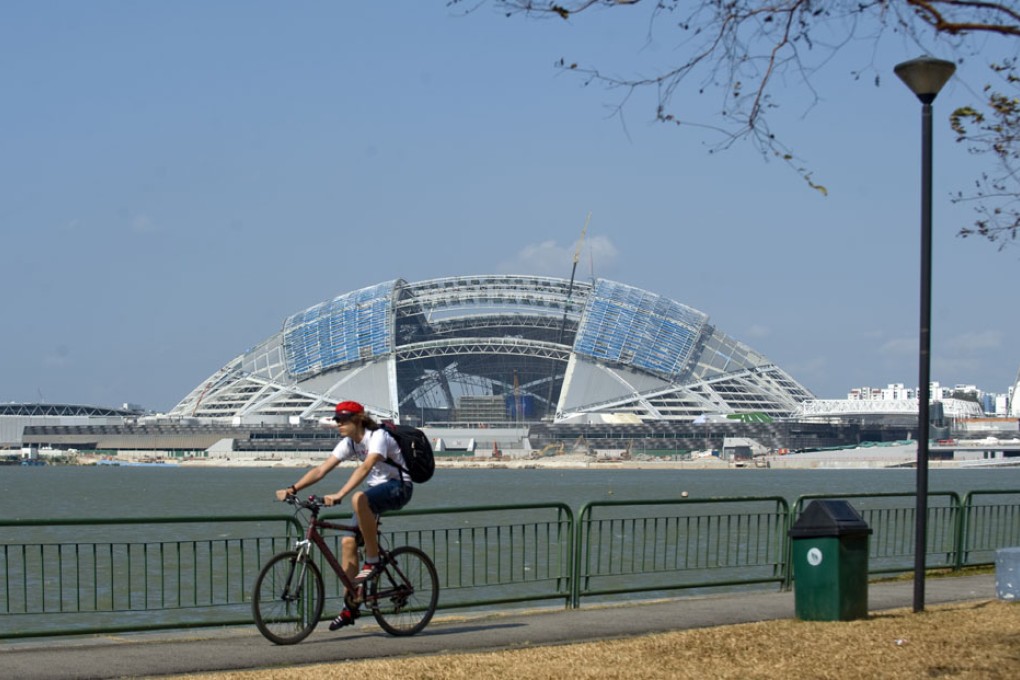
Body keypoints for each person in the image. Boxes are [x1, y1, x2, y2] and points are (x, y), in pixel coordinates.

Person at [275, 400, 413, 630]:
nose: (337, 423)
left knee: (359, 499)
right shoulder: (349, 442)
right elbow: (321, 469)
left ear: (357, 420)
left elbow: (366, 467)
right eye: (336, 419)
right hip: (375, 493)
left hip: (399, 487)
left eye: (342, 420)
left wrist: (340, 493)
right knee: (348, 542)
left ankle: (372, 560)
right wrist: (293, 489)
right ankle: (350, 607)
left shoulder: (377, 436)